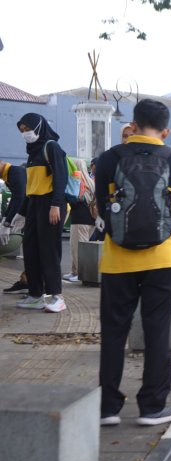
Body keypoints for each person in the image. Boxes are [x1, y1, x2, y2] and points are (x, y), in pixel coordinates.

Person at [96, 98, 171, 427]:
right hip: (162, 258)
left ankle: (107, 407)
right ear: (165, 131)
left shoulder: (109, 159)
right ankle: (152, 406)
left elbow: (101, 207)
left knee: (112, 333)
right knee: (156, 331)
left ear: (133, 126)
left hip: (116, 260)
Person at [15, 113, 68, 313]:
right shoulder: (32, 152)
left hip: (50, 203)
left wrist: (55, 204)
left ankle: (57, 296)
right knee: (30, 249)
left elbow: (60, 176)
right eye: (22, 131)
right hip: (35, 204)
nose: (25, 134)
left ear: (38, 126)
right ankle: (36, 295)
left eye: (27, 129)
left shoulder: (51, 147)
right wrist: (21, 213)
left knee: (49, 250)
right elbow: (32, 185)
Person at [63, 159, 96, 282]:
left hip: (79, 219)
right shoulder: (91, 182)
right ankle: (74, 271)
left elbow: (75, 200)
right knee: (80, 246)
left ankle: (79, 273)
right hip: (91, 219)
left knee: (77, 247)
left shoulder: (77, 181)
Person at [1, 160, 28, 294]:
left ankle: (42, 287)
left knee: (37, 250)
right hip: (30, 214)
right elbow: (14, 199)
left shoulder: (15, 172)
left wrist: (7, 223)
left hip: (45, 213)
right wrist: (5, 219)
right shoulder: (8, 177)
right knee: (29, 249)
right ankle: (26, 281)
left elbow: (20, 197)